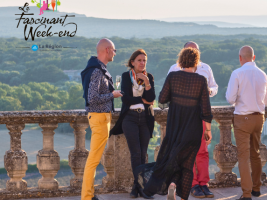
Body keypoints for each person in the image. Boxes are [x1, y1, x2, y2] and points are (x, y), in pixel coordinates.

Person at [135, 47, 213, 200]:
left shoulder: (173, 76)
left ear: (180, 61)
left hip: (175, 126)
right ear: (196, 62)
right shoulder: (201, 80)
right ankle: (183, 196)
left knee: (171, 158)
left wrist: (177, 99)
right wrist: (208, 130)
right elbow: (206, 108)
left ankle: (171, 185)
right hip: (194, 128)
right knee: (187, 163)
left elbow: (162, 100)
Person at [168, 41, 218, 198]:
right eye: (190, 51)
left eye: (195, 51)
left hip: (200, 113)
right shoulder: (174, 69)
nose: (193, 54)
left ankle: (204, 183)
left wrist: (207, 91)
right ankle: (193, 184)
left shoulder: (206, 68)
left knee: (202, 151)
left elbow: (215, 87)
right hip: (183, 117)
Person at [225, 46, 267, 200]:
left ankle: (246, 194)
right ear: (254, 57)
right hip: (259, 118)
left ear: (240, 58)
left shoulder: (237, 73)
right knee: (255, 154)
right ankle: (256, 188)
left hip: (242, 118)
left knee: (243, 156)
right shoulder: (263, 74)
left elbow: (230, 99)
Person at [80, 38, 123, 200]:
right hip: (99, 118)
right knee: (93, 160)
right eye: (114, 50)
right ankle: (87, 196)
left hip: (101, 117)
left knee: (94, 159)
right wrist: (112, 95)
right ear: (106, 50)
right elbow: (92, 98)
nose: (114, 53)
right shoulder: (98, 71)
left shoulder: (98, 68)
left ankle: (89, 194)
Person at [110, 49, 156, 198]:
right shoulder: (126, 76)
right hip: (129, 118)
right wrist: (144, 100)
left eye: (144, 61)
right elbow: (126, 99)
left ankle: (137, 187)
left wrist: (147, 83)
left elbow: (153, 97)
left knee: (143, 154)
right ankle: (140, 187)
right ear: (132, 62)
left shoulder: (149, 77)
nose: (142, 63)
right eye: (139, 60)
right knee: (135, 154)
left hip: (146, 118)